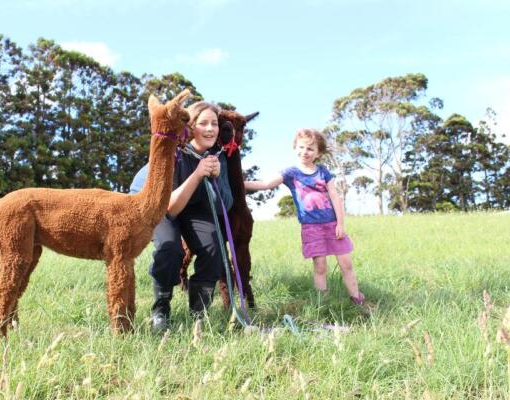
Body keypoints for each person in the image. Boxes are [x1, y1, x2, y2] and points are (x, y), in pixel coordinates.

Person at [130, 101, 234, 332]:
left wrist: (216, 179)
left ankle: (199, 313)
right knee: (170, 248)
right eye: (203, 123)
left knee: (214, 248)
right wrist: (198, 175)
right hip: (156, 205)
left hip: (192, 207)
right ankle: (161, 310)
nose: (210, 129)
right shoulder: (174, 153)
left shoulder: (218, 157)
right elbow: (170, 209)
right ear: (191, 127)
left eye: (214, 124)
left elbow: (224, 205)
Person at [244, 129, 368, 312]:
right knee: (320, 266)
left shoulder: (323, 172)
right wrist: (237, 182)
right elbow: (266, 184)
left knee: (346, 263)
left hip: (332, 225)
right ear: (295, 148)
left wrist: (341, 224)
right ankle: (323, 302)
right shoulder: (291, 173)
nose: (305, 152)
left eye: (310, 149)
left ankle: (356, 297)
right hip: (311, 227)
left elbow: (335, 197)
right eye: (301, 147)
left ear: (318, 153)